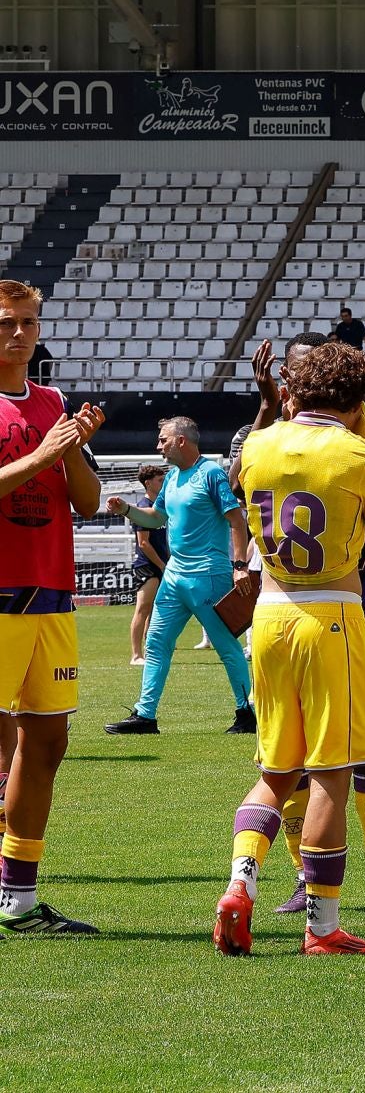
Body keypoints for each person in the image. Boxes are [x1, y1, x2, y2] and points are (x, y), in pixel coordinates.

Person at [215, 341, 365, 957]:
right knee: (330, 775)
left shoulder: (257, 445)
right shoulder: (360, 453)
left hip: (269, 616)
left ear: (297, 391)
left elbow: (240, 485)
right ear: (357, 399)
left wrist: (274, 405)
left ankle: (240, 884)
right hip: (332, 617)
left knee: (275, 772)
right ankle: (323, 926)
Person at [0, 278, 105, 935]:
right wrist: (42, 453)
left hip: (52, 594)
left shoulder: (54, 402)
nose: (18, 334)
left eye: (28, 322)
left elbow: (87, 502)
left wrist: (71, 451)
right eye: (6, 322)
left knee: (47, 742)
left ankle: (18, 900)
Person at [105, 417, 254, 736]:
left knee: (226, 645)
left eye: (163, 439)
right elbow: (156, 517)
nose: (158, 446)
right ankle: (145, 715)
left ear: (181, 441)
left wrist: (240, 565)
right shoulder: (172, 477)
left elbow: (237, 521)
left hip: (208, 575)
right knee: (156, 642)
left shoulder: (211, 473)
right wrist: (127, 510)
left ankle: (246, 712)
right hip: (174, 577)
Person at [124, 464, 169, 666]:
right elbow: (143, 543)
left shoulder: (160, 507)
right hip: (147, 565)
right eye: (160, 480)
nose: (164, 483)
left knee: (154, 610)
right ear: (148, 483)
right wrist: (161, 565)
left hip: (160, 564)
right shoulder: (143, 507)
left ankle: (150, 651)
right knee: (143, 609)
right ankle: (136, 655)